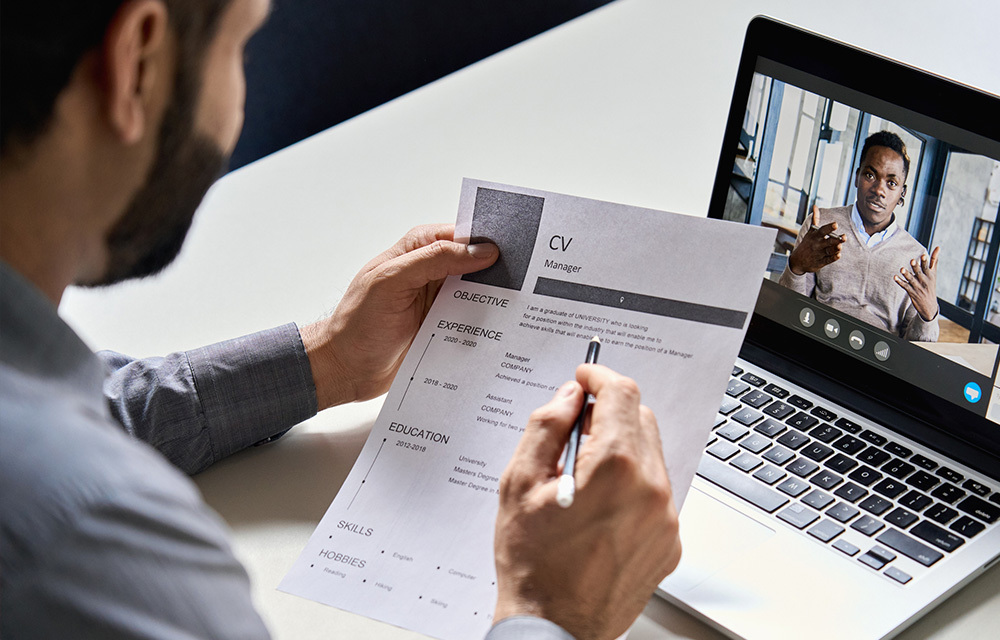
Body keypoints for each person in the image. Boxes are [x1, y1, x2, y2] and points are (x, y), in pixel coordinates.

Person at [0, 2, 682, 639]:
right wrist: (548, 610)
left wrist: (325, 361)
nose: (238, 99)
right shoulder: (90, 545)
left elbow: (90, 408)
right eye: (241, 46)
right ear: (137, 59)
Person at [778, 131, 940, 341]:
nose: (879, 190)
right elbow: (789, 310)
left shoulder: (917, 257)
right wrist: (796, 267)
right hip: (816, 342)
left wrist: (929, 315)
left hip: (878, 360)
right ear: (857, 177)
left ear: (902, 193)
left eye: (891, 183)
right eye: (870, 175)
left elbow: (915, 351)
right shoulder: (820, 226)